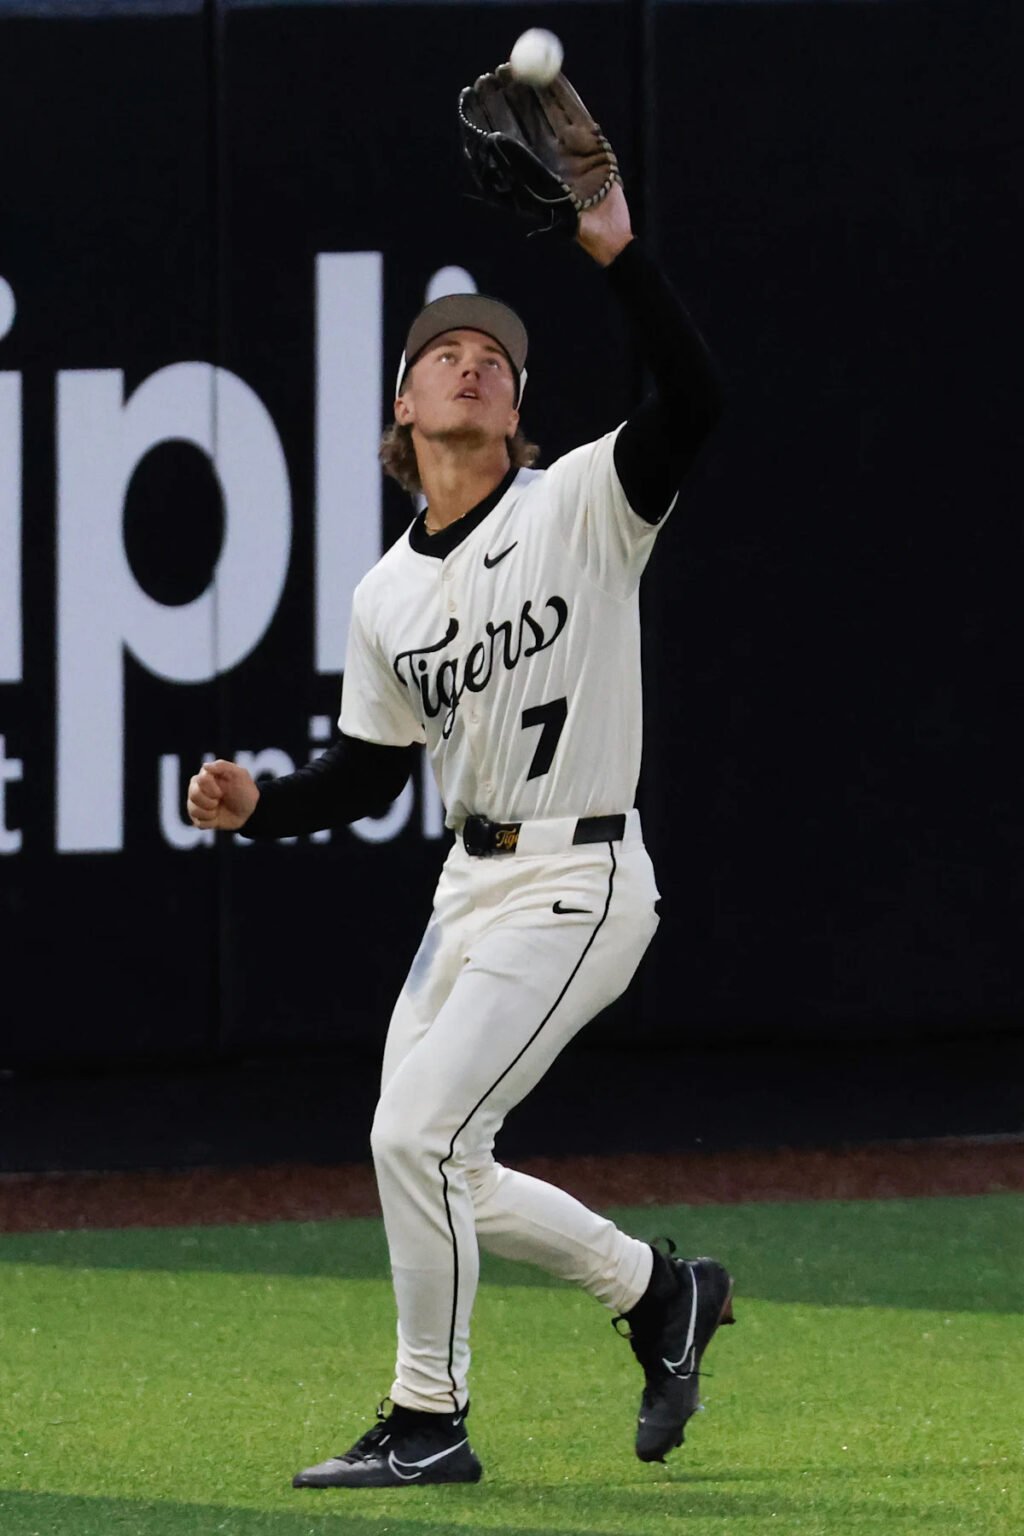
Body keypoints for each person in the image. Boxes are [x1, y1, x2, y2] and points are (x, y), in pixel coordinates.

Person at [187, 180, 732, 1490]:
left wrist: (618, 251)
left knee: (414, 1140)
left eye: (496, 357)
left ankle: (427, 1418)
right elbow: (366, 773)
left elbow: (695, 399)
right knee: (441, 1160)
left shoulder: (582, 500)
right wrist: (263, 807)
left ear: (516, 405)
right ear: (404, 406)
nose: (474, 363)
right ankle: (661, 1292)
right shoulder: (387, 593)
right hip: (466, 889)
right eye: (447, 354)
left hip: (581, 874)